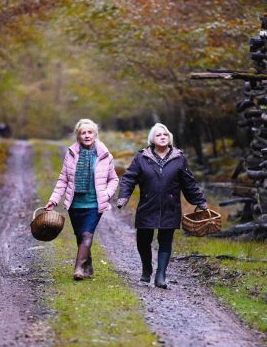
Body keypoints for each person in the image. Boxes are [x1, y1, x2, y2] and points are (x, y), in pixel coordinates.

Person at [117, 123, 207, 289]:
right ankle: (147, 269)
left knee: (166, 240)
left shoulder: (179, 157)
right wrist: (123, 197)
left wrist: (200, 201)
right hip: (147, 205)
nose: (163, 137)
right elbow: (129, 178)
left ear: (170, 137)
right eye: (159, 135)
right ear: (152, 139)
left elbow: (189, 182)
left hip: (170, 206)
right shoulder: (142, 157)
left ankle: (161, 275)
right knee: (143, 240)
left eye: (165, 134)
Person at [45, 119, 119, 280]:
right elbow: (63, 179)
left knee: (87, 235)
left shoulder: (104, 155)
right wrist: (54, 200)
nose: (87, 135)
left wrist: (106, 194)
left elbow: (113, 179)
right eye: (83, 133)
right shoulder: (71, 154)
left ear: (95, 134)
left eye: (90, 132)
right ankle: (88, 265)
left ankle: (78, 268)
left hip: (94, 203)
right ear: (78, 136)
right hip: (75, 204)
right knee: (80, 236)